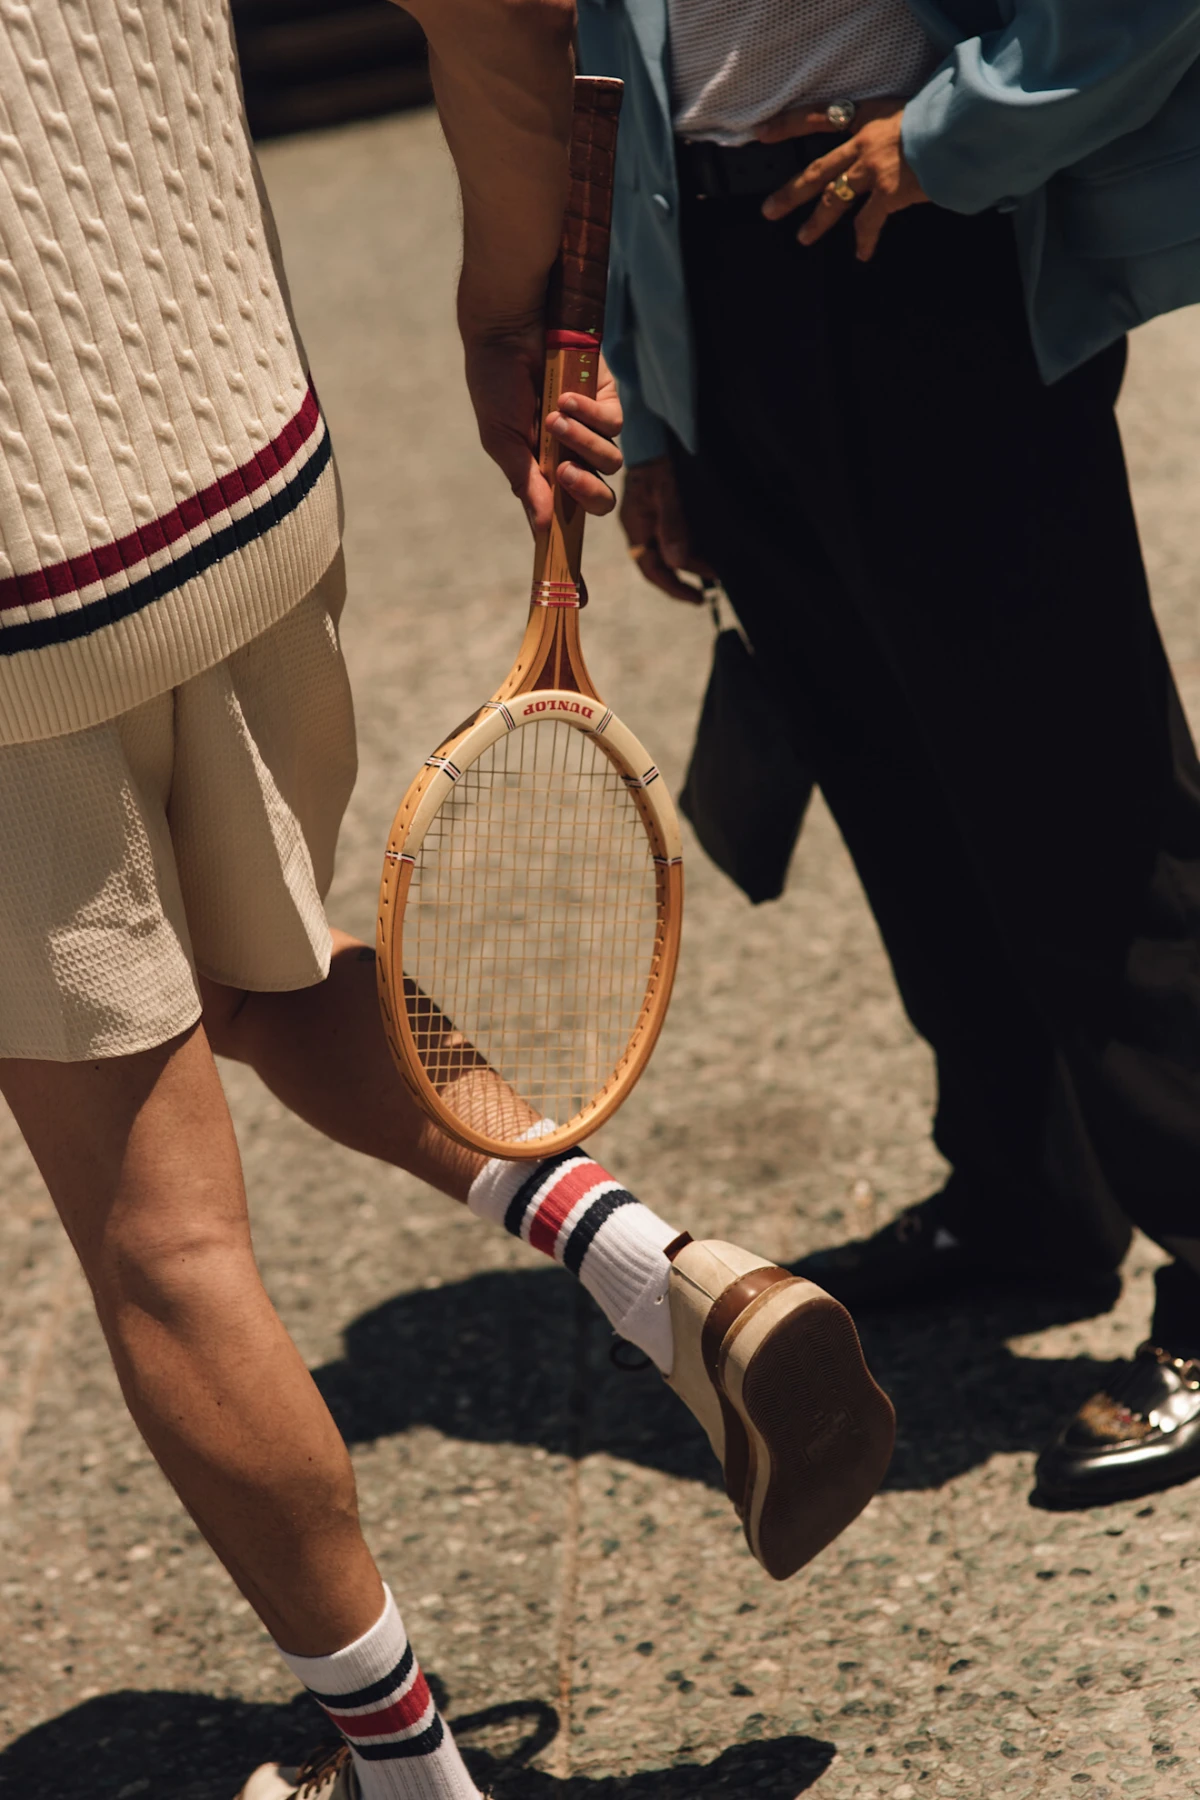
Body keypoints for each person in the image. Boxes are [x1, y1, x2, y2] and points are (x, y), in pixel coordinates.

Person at [0, 4, 895, 1797]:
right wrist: (516, 326)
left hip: (18, 590)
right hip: (234, 466)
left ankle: (409, 1780)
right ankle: (667, 1278)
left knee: (161, 1233)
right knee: (249, 985)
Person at [577, 0, 1200, 1507]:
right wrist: (655, 402)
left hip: (917, 254)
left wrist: (949, 135)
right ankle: (1024, 1198)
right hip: (721, 283)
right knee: (895, 789)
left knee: (1080, 790)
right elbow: (614, 78)